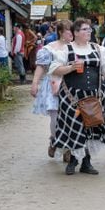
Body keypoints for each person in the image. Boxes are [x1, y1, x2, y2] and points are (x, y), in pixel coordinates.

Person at [50, 18, 105, 175]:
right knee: (74, 127)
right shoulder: (66, 50)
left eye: (90, 29)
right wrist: (71, 67)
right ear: (75, 33)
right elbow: (54, 70)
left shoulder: (98, 49)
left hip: (94, 96)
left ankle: (86, 162)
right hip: (72, 97)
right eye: (84, 29)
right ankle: (73, 160)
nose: (88, 32)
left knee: (91, 127)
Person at [30, 19, 74, 158]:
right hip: (53, 84)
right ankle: (54, 139)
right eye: (69, 31)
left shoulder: (76, 47)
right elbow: (41, 66)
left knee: (70, 117)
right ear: (61, 32)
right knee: (55, 116)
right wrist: (35, 83)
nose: (72, 33)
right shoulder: (50, 48)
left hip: (71, 85)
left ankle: (67, 148)